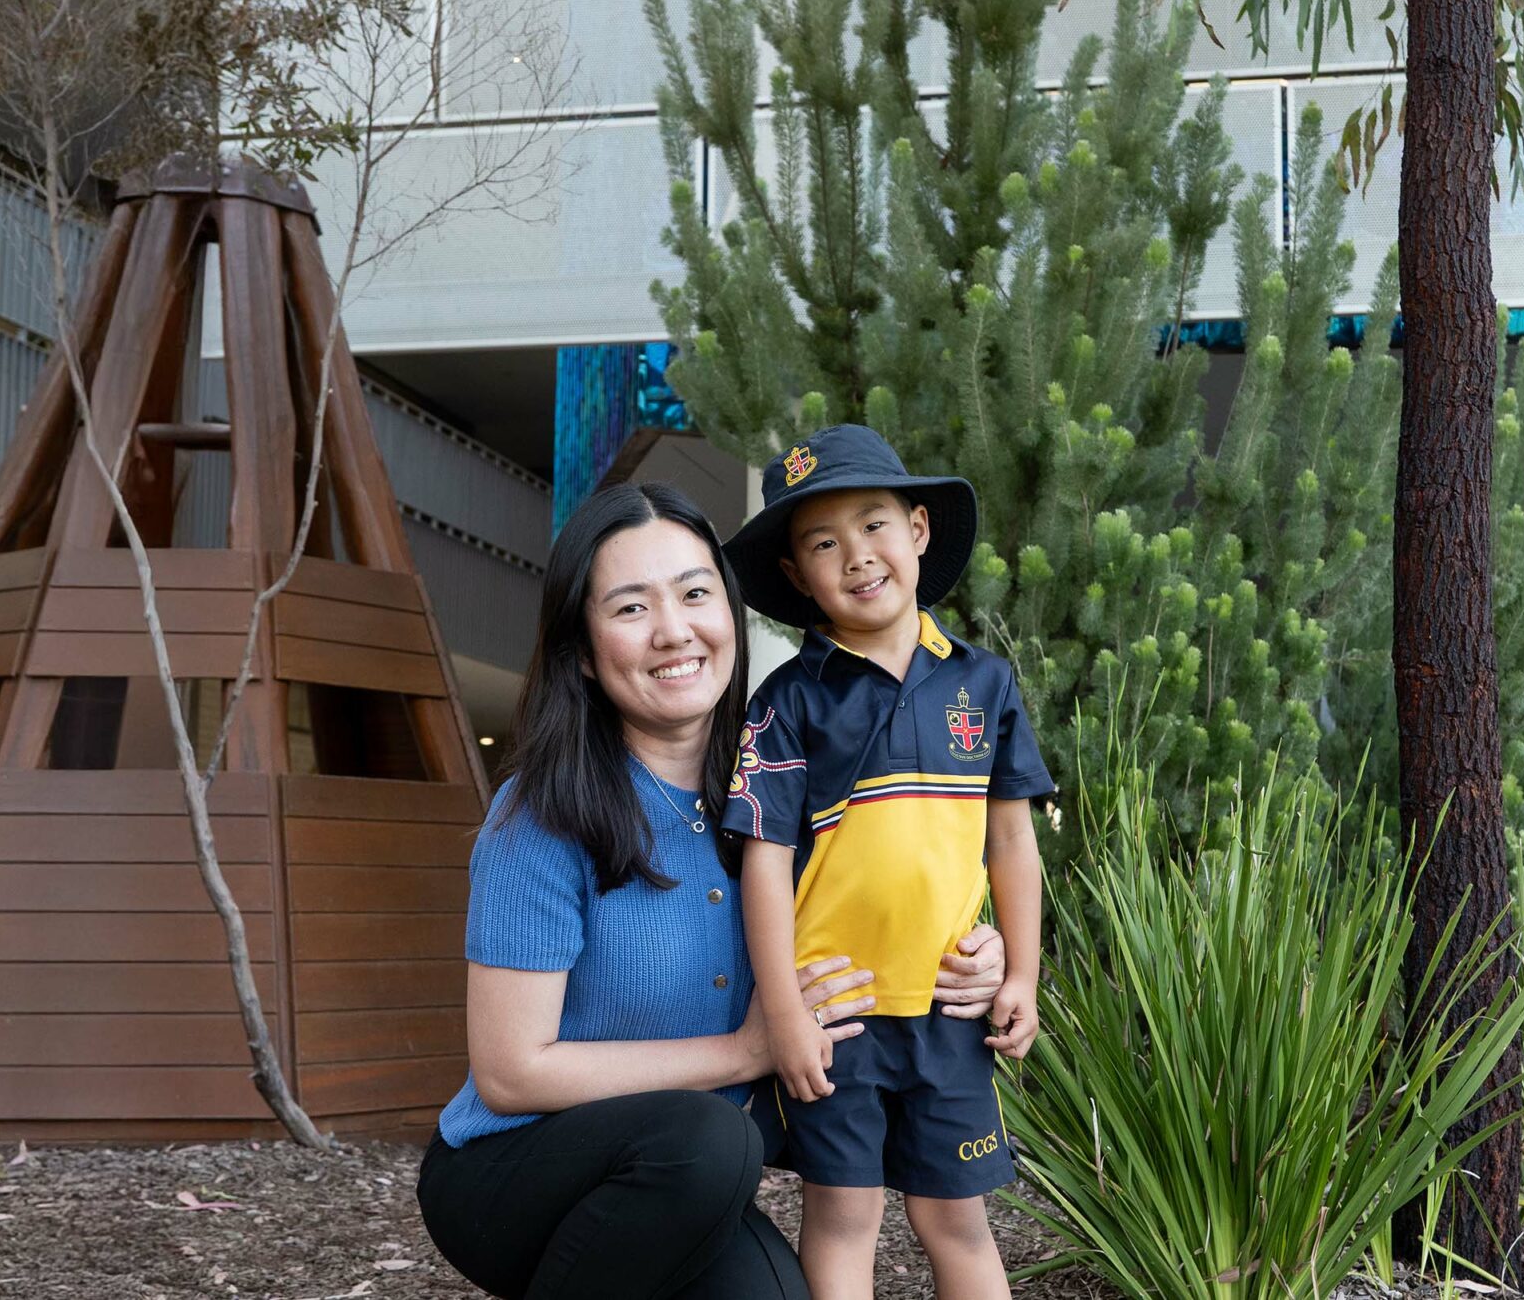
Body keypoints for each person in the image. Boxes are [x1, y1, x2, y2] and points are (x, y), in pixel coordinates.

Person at [415, 481, 1009, 1300]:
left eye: (696, 594)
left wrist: (979, 952)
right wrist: (745, 1050)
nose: (673, 631)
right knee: (704, 1139)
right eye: (630, 608)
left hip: (681, 1179)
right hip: (514, 1171)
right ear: (583, 650)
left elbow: (896, 881)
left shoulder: (785, 782)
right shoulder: (541, 815)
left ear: (729, 615)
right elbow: (511, 1071)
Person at [720, 425, 1053, 1300]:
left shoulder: (984, 685)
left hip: (951, 1003)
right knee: (844, 1215)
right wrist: (784, 1013)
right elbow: (764, 863)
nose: (856, 556)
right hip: (839, 1016)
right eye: (823, 543)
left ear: (918, 529)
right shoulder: (790, 700)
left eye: (873, 526)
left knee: (957, 1221)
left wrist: (1022, 971)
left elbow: (1012, 839)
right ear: (795, 576)